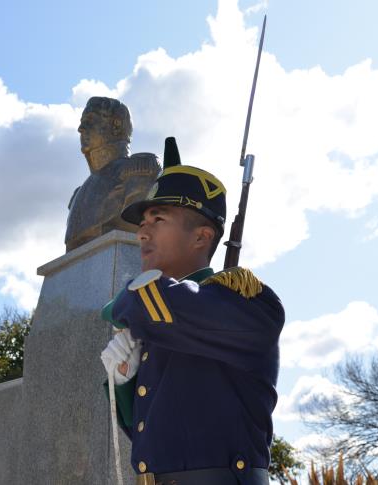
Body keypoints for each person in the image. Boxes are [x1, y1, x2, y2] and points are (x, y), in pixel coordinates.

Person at [100, 137, 284, 485]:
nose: (142, 233)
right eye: (142, 223)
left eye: (158, 219)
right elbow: (151, 435)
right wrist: (124, 382)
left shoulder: (250, 305)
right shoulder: (165, 322)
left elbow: (139, 301)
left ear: (201, 238)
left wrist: (120, 305)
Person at [64, 96, 159, 251]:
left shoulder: (139, 171)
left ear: (116, 126)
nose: (81, 128)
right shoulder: (77, 195)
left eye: (90, 119)